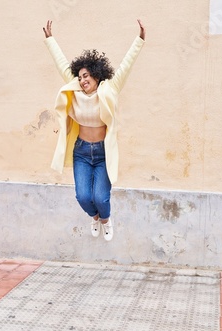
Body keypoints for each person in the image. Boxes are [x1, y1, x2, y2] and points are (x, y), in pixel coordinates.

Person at [43, 19, 145, 241]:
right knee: (83, 196)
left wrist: (139, 40)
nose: (82, 80)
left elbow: (126, 66)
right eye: (79, 77)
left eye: (86, 76)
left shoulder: (110, 89)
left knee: (101, 197)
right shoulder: (75, 91)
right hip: (81, 151)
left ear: (97, 76)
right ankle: (95, 216)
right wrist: (50, 40)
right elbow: (61, 64)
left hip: (102, 153)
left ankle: (106, 220)